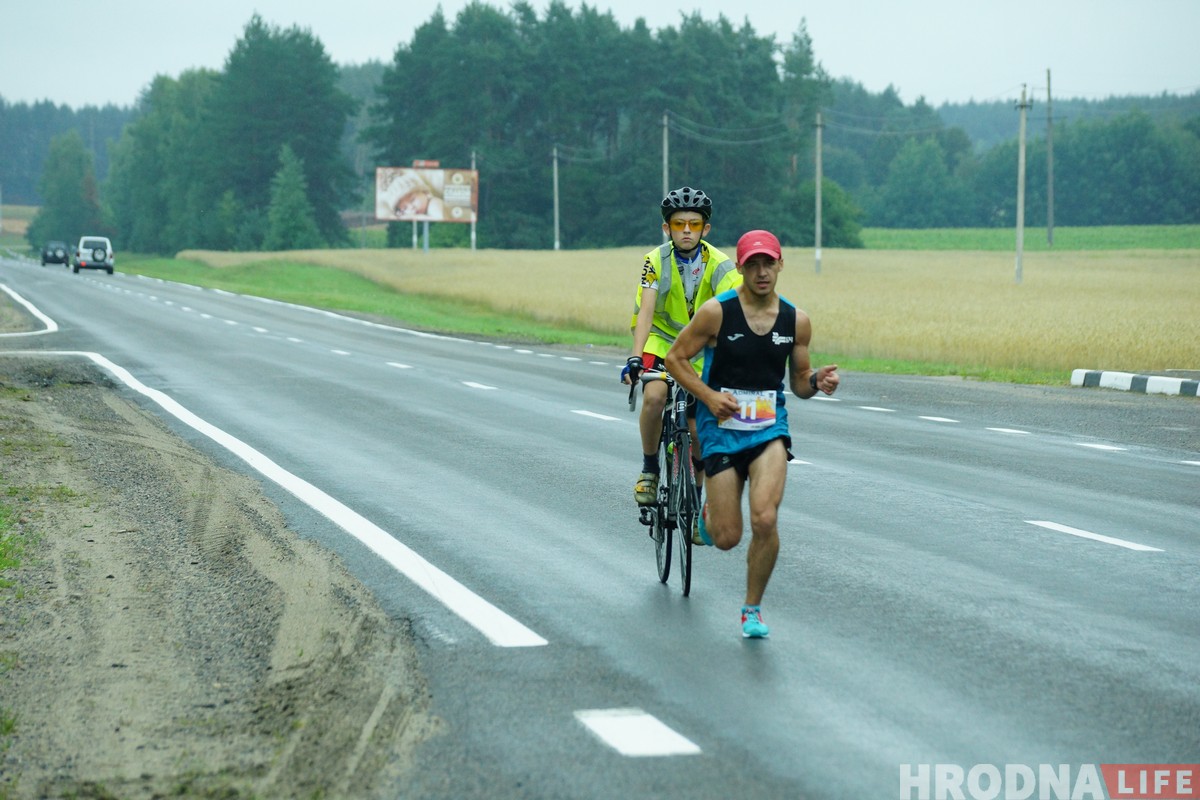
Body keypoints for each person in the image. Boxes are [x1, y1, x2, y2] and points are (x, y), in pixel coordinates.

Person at [664, 229, 840, 638]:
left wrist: (817, 382)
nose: (762, 272)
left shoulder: (796, 320)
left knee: (765, 517)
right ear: (741, 268)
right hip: (721, 428)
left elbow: (797, 382)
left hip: (768, 428)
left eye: (769, 263)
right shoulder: (716, 312)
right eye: (753, 265)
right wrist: (708, 397)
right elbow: (675, 358)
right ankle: (708, 514)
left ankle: (752, 609)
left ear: (780, 265)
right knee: (726, 538)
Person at [620, 187, 741, 529]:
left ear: (706, 229)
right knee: (656, 395)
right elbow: (646, 311)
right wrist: (635, 358)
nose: (686, 230)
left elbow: (734, 313)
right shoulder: (654, 260)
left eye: (693, 224)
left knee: (699, 427)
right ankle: (650, 469)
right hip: (661, 340)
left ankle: (697, 502)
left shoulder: (722, 265)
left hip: (701, 347)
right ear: (667, 228)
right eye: (678, 224)